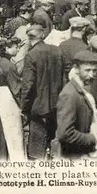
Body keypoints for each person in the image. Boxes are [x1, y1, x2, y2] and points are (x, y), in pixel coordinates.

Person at [20, 24, 64, 160]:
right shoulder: (57, 51)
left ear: (29, 38)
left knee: (36, 150)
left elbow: (28, 85)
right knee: (54, 141)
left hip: (38, 106)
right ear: (43, 35)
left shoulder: (31, 55)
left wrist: (24, 108)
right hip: (57, 103)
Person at [56, 50, 97, 160]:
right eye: (87, 70)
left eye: (94, 71)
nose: (92, 75)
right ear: (76, 69)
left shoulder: (82, 90)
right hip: (77, 157)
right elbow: (65, 134)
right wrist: (92, 139)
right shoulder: (69, 94)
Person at [0, 37, 26, 161]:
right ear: (7, 48)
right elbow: (16, 87)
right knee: (10, 129)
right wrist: (22, 106)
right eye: (15, 46)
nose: (18, 49)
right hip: (8, 97)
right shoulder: (8, 65)